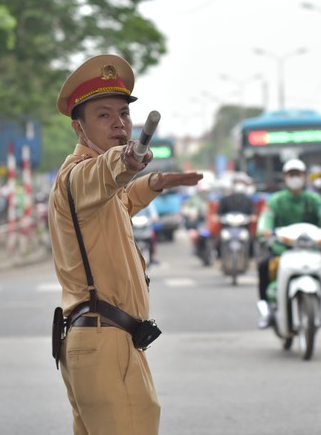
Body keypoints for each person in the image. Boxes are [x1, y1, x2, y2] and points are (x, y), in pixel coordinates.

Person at [48, 54, 202, 435]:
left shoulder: (94, 194)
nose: (119, 124)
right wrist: (129, 158)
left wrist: (154, 183)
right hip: (105, 343)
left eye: (124, 114)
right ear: (78, 128)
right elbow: (107, 171)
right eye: (103, 115)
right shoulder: (81, 176)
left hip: (104, 341)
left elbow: (121, 202)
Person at [255, 158, 321, 328]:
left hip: (311, 248)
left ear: (304, 177)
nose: (295, 178)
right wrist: (265, 230)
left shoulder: (314, 199)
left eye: (298, 174)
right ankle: (267, 309)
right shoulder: (276, 200)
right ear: (285, 177)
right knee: (263, 265)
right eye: (291, 174)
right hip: (283, 248)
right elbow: (266, 217)